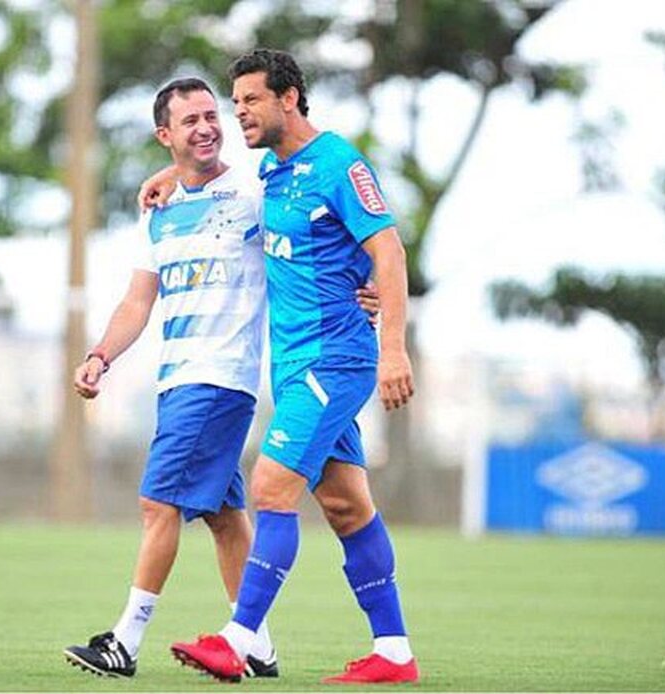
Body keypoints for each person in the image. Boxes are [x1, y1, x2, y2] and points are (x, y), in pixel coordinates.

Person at [62, 77, 379, 680]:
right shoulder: (157, 213)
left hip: (221, 378)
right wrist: (101, 355)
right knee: (224, 515)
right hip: (176, 379)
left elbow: (330, 231)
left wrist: (364, 288)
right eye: (192, 120)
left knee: (158, 504)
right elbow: (137, 302)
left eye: (214, 115)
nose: (208, 127)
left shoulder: (256, 190)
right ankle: (256, 645)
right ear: (166, 136)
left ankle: (125, 641)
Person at [166, 49, 420, 685]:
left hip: (336, 361)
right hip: (296, 367)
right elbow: (216, 181)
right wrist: (166, 175)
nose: (239, 113)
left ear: (289, 98)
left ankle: (241, 639)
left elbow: (387, 253)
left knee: (271, 487)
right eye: (237, 102)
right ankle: (393, 652)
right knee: (346, 508)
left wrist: (393, 348)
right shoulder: (273, 174)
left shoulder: (338, 163)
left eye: (250, 100)